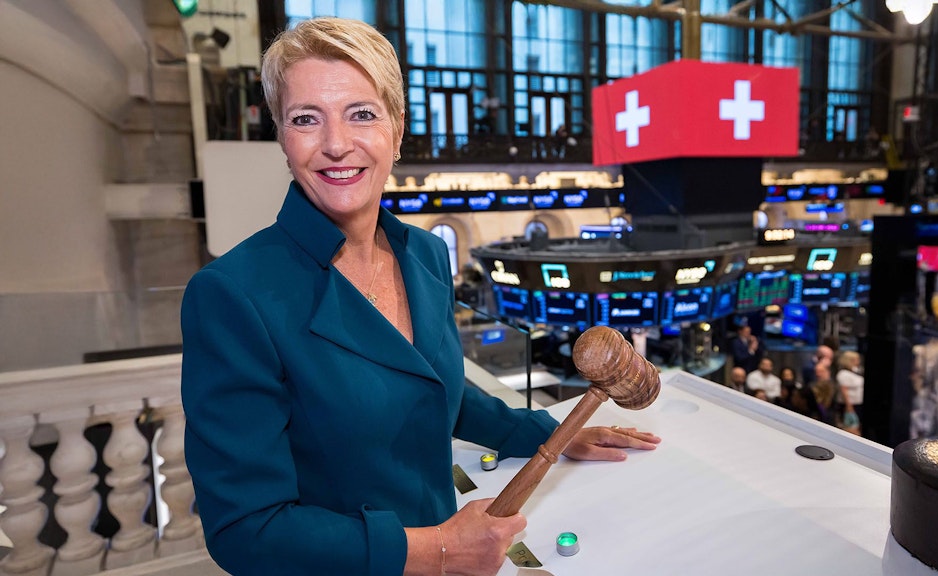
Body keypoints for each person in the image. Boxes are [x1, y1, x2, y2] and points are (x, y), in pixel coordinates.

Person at [180, 18, 660, 576]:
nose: (336, 144)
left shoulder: (427, 256)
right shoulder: (232, 296)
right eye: (305, 119)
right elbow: (245, 530)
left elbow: (438, 394)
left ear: (397, 130)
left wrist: (556, 433)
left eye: (362, 113)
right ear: (283, 138)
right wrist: (437, 550)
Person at [836, 350, 864, 420]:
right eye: (856, 359)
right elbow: (844, 391)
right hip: (849, 405)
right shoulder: (843, 374)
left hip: (859, 404)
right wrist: (849, 406)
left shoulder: (856, 370)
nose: (858, 361)